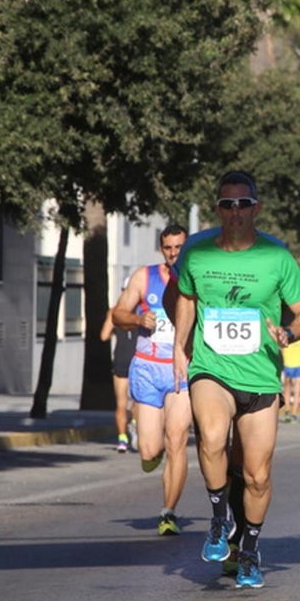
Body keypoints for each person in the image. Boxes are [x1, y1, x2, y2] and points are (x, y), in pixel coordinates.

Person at [172, 171, 300, 589]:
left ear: (256, 208)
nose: (234, 212)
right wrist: (180, 348)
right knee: (213, 438)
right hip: (211, 368)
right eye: (226, 204)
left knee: (257, 475)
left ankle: (250, 547)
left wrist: (290, 333)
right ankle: (220, 517)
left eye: (242, 204)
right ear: (217, 208)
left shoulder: (277, 257)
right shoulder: (198, 253)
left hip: (260, 375)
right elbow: (185, 297)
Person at [111, 225, 192, 536]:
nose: (173, 253)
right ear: (162, 249)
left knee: (178, 440)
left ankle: (168, 511)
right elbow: (118, 313)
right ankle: (148, 447)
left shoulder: (197, 278)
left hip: (180, 372)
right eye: (168, 247)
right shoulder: (145, 277)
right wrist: (137, 319)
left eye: (179, 247)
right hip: (146, 369)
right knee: (149, 451)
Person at [101, 307, 137, 453]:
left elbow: (104, 335)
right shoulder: (143, 310)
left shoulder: (115, 312)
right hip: (135, 361)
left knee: (126, 404)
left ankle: (124, 437)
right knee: (135, 402)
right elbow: (104, 336)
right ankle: (129, 429)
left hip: (126, 360)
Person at [280, 334, 300, 423]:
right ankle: (292, 414)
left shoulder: (288, 329)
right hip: (296, 361)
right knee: (295, 390)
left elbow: (281, 346)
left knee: (289, 388)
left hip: (291, 361)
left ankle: (289, 412)